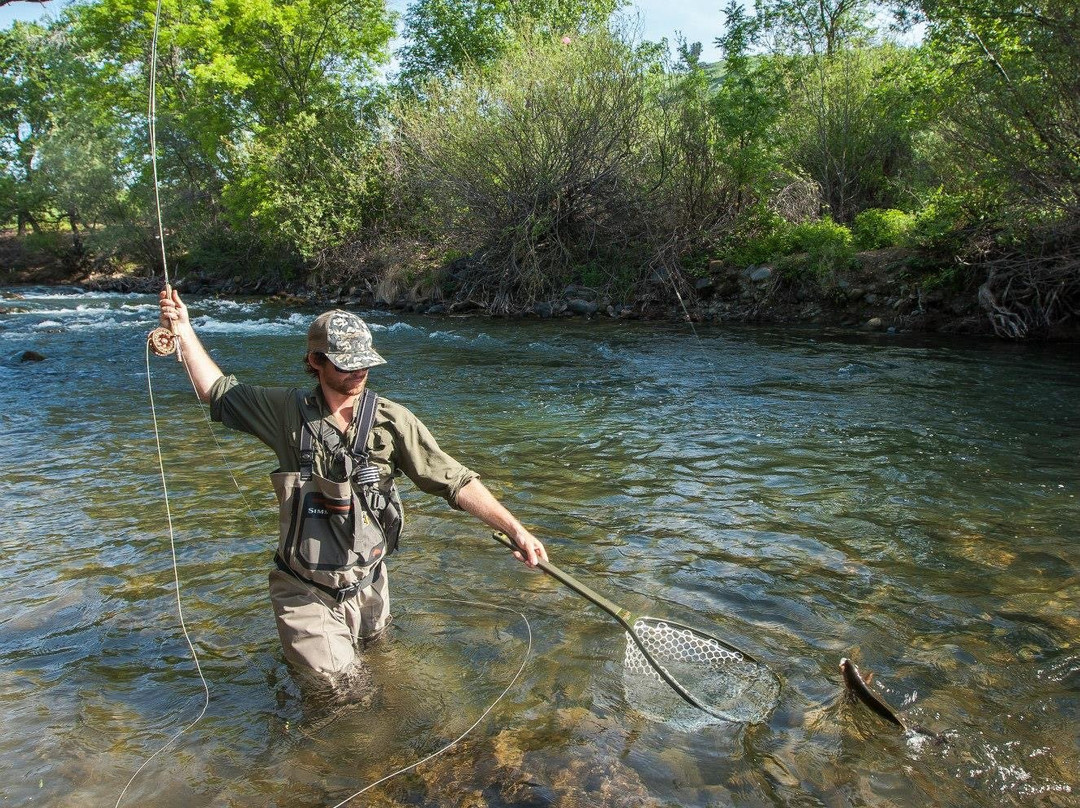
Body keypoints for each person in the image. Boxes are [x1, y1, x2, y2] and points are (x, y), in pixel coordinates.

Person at [158, 289, 547, 683]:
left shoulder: (392, 420)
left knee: (384, 674)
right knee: (340, 695)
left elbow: (454, 480)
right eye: (347, 365)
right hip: (304, 590)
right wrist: (184, 330)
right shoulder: (283, 411)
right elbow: (218, 391)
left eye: (365, 363)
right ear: (315, 361)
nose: (359, 372)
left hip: (370, 583)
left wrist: (515, 529)